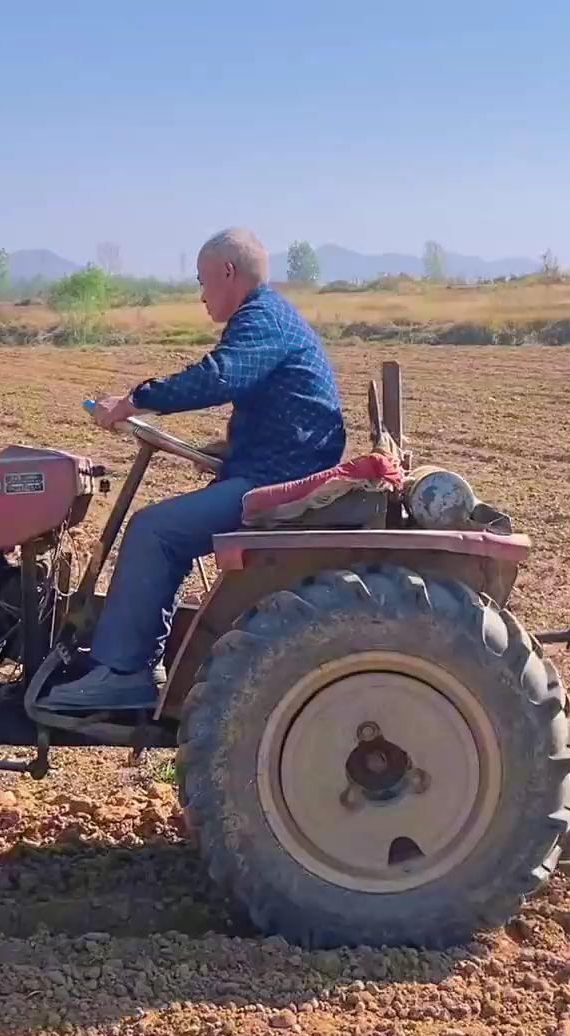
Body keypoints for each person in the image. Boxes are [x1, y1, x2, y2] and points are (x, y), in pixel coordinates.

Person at [44, 227, 347, 710]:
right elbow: (276, 404)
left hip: (278, 481)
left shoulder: (263, 319)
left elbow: (219, 375)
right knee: (160, 530)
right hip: (274, 464)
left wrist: (136, 400)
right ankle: (135, 658)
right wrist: (232, 445)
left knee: (153, 532)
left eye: (204, 281)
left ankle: (125, 672)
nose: (201, 294)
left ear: (230, 272)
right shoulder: (270, 318)